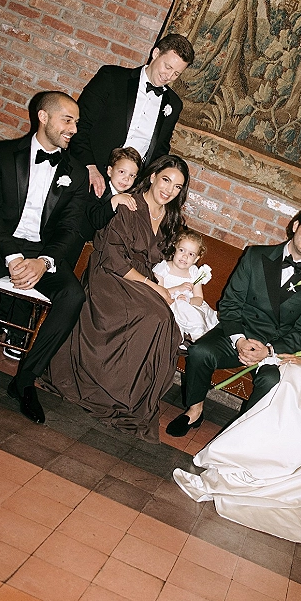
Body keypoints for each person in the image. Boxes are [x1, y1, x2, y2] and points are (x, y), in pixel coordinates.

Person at [173, 230, 301, 544]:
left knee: (286, 381)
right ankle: (249, 458)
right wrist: (296, 357)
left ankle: (266, 466)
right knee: (282, 372)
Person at [47, 155, 189, 442]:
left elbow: (165, 261)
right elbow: (113, 257)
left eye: (177, 187)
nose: (169, 190)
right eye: (166, 180)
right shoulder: (128, 204)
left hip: (142, 281)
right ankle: (112, 393)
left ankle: (129, 397)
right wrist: (155, 288)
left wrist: (173, 283)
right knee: (155, 316)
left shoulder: (172, 218)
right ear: (152, 177)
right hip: (111, 275)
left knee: (166, 322)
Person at [167, 205, 301, 438]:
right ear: (296, 226)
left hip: (273, 347)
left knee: (272, 380)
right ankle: (194, 411)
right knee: (200, 351)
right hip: (238, 332)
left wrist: (268, 351)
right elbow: (230, 303)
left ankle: (239, 434)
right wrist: (239, 341)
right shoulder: (255, 255)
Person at [0, 92, 88, 424]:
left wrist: (44, 262)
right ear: (43, 117)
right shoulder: (3, 154)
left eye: (76, 123)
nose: (74, 129)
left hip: (41, 253)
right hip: (1, 246)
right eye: (68, 120)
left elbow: (70, 229)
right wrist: (12, 257)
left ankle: (24, 380)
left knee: (72, 296)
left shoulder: (76, 173)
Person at [71, 33, 195, 197]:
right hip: (86, 174)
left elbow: (160, 151)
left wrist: (141, 190)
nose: (169, 76)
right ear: (156, 53)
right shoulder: (112, 78)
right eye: (167, 67)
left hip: (127, 190)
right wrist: (90, 167)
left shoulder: (174, 104)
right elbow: (78, 124)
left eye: (176, 74)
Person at [153, 228, 218, 343]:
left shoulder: (194, 272)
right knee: (179, 309)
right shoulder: (163, 268)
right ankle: (186, 338)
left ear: (196, 259)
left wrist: (188, 300)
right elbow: (157, 293)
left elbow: (199, 298)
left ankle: (198, 339)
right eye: (182, 250)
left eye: (191, 254)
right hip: (167, 305)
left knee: (191, 312)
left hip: (190, 306)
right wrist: (178, 288)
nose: (185, 256)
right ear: (175, 249)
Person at [84, 147, 142, 234]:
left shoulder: (131, 196)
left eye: (132, 175)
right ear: (110, 171)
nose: (126, 178)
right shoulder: (98, 188)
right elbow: (96, 221)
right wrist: (115, 200)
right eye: (122, 172)